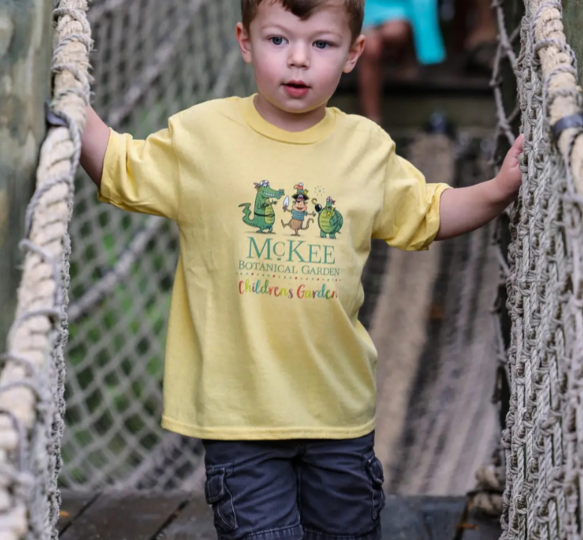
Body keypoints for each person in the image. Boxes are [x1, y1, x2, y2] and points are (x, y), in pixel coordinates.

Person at [79, 1, 524, 538]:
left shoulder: (365, 148)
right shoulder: (204, 136)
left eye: (320, 44)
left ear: (353, 53)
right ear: (244, 41)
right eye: (277, 40)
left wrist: (497, 190)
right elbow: (121, 166)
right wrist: (71, 101)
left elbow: (428, 211)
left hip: (337, 414)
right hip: (240, 419)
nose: (297, 60)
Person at [357, 0, 446, 124]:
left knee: (394, 32)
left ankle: (403, 60)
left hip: (401, 7)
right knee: (370, 48)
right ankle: (372, 123)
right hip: (363, 8)